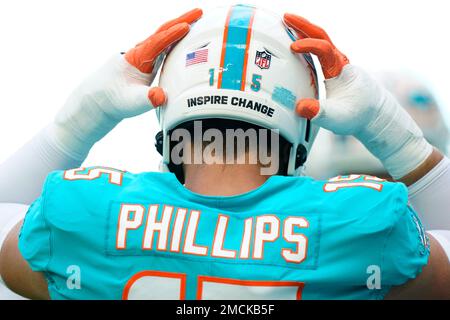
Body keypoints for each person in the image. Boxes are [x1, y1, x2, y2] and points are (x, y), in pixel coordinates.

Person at [0, 5, 449, 300]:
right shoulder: (361, 220)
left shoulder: (84, 212)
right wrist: (391, 132)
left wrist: (78, 120)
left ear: (167, 104)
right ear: (304, 117)